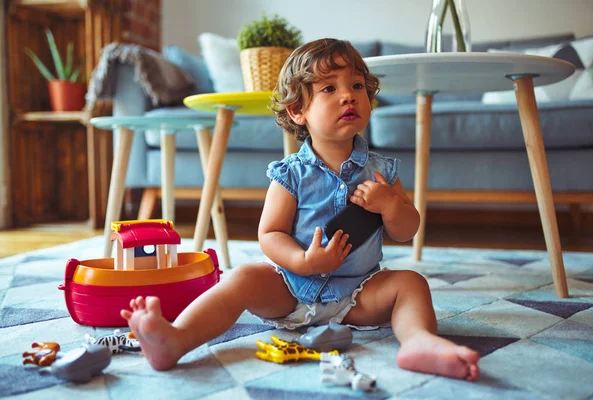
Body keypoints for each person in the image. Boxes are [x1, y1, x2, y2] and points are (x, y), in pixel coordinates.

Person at [121, 38, 480, 380]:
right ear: (298, 111)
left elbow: (407, 230)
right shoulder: (290, 173)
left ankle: (418, 341)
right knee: (243, 277)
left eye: (357, 86)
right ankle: (176, 338)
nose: (347, 97)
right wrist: (303, 262)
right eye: (329, 89)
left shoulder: (382, 172)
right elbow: (270, 234)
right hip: (290, 289)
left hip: (360, 292)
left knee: (412, 284)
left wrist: (391, 206)